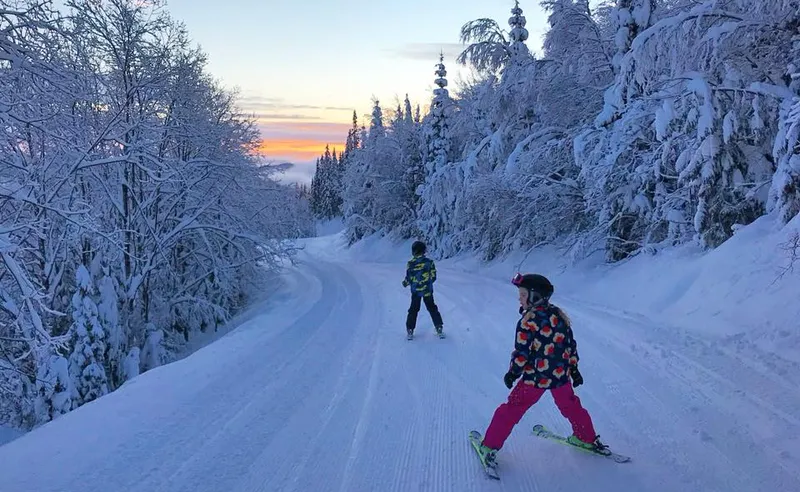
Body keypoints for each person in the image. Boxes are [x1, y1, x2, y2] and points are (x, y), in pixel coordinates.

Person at [476, 273, 606, 466]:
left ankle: (489, 446)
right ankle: (586, 437)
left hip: (535, 379)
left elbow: (522, 353)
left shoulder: (527, 321)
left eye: (522, 295)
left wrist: (513, 372)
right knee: (571, 406)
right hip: (560, 376)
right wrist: (574, 368)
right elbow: (570, 346)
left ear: (535, 297)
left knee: (512, 409)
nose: (519, 298)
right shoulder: (559, 316)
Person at [402, 241, 444, 338]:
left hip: (415, 292)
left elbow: (408, 278)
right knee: (432, 308)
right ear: (424, 251)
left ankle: (410, 329)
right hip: (427, 291)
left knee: (413, 309)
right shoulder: (429, 263)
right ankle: (439, 327)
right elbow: (433, 276)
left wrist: (405, 283)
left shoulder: (410, 264)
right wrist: (427, 284)